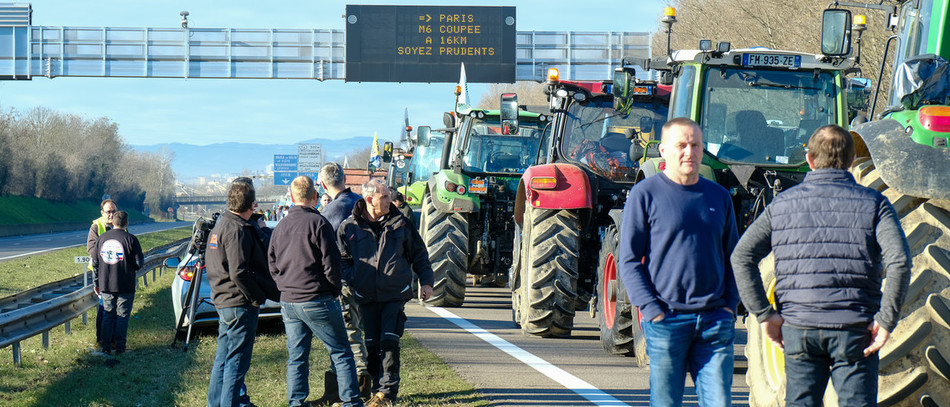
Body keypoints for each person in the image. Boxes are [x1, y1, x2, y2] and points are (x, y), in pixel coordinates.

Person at [731, 124, 912, 406]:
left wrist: (764, 314)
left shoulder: (782, 205)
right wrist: (887, 320)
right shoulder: (876, 204)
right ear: (852, 161)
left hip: (799, 328)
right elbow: (899, 261)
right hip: (855, 330)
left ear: (810, 161)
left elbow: (741, 257)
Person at [618, 117, 739, 406]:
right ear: (663, 150)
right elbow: (629, 260)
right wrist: (651, 309)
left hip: (714, 321)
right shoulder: (645, 195)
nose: (689, 152)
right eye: (681, 145)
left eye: (695, 145)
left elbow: (734, 257)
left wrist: (729, 305)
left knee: (719, 402)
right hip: (667, 320)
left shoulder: (720, 197)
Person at [268, 176, 364, 407]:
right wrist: (333, 290)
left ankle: (296, 402)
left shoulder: (280, 225)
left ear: (291, 197)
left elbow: (272, 262)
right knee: (341, 352)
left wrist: (284, 286)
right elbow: (331, 264)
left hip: (290, 301)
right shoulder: (319, 224)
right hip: (317, 297)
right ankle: (352, 401)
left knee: (297, 357)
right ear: (315, 196)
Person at [337, 179, 434, 407]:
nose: (390, 201)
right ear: (370, 200)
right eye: (385, 197)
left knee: (389, 341)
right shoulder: (348, 227)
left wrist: (426, 282)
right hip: (366, 296)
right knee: (371, 344)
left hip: (394, 294)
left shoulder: (401, 223)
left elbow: (419, 254)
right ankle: (376, 389)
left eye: (389, 196)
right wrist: (354, 278)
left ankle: (388, 393)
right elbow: (341, 260)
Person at [206, 180, 281, 407]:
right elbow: (239, 272)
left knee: (223, 360)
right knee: (236, 365)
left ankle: (215, 403)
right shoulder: (238, 229)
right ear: (250, 205)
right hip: (239, 303)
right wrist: (257, 297)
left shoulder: (221, 225)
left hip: (223, 299)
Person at [313, 162, 372, 404]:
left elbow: (322, 248)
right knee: (365, 333)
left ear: (324, 185)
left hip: (346, 280)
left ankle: (354, 387)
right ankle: (362, 384)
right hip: (370, 276)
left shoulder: (332, 212)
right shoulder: (361, 202)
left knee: (348, 334)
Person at [91, 210, 144, 356]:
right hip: (125, 284)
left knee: (108, 315)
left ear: (112, 222)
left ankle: (106, 347)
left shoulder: (102, 238)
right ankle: (120, 348)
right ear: (127, 223)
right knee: (122, 316)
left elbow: (95, 262)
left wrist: (96, 282)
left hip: (106, 284)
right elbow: (140, 263)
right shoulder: (131, 239)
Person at [87, 199, 118, 348]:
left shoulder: (120, 225)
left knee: (117, 309)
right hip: (101, 273)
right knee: (104, 307)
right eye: (108, 212)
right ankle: (101, 339)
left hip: (117, 273)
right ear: (102, 213)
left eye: (113, 211)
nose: (111, 215)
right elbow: (92, 249)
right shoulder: (96, 226)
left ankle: (113, 339)